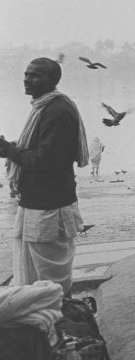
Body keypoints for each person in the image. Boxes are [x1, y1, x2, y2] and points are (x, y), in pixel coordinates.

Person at [0, 58, 89, 295]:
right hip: (37, 203)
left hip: (48, 209)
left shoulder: (57, 111)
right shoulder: (45, 107)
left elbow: (46, 161)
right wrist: (12, 149)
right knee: (32, 276)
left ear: (52, 80)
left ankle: (60, 323)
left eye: (36, 75)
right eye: (26, 74)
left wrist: (10, 151)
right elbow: (42, 152)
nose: (27, 80)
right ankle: (45, 323)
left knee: (51, 281)